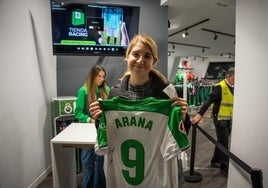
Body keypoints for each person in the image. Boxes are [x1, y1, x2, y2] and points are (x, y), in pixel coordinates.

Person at [89, 34, 191, 188]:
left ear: (154, 61)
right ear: (127, 56)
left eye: (147, 56)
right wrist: (98, 118)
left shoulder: (167, 93)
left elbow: (180, 133)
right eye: (136, 54)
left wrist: (182, 117)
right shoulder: (115, 94)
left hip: (158, 172)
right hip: (124, 173)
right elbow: (109, 133)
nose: (140, 60)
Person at [191, 67, 235, 177]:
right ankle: (224, 167)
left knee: (222, 141)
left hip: (229, 119)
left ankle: (215, 160)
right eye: (235, 77)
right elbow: (208, 101)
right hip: (220, 119)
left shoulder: (234, 87)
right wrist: (200, 114)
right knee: (224, 144)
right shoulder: (220, 87)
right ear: (229, 76)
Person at [75, 65, 110, 188]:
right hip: (87, 132)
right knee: (88, 165)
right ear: (93, 76)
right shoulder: (83, 91)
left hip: (101, 130)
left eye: (103, 76)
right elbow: (78, 113)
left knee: (100, 164)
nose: (101, 79)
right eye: (99, 76)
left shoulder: (106, 90)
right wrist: (90, 120)